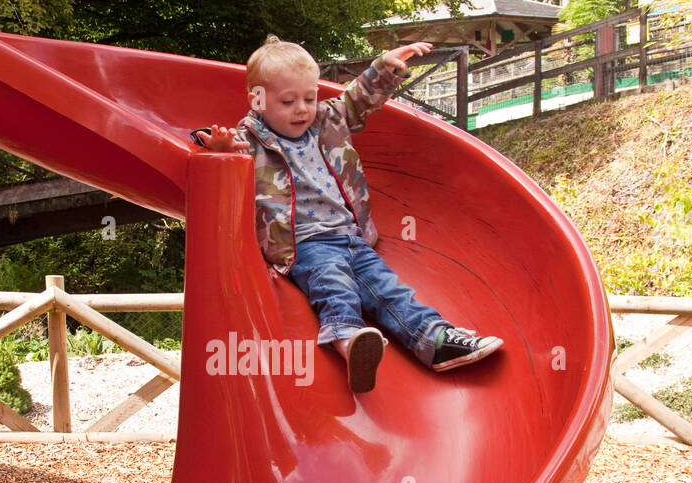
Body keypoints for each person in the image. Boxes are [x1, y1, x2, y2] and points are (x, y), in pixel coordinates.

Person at [193, 35, 502, 393]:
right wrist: (218, 150)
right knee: (334, 287)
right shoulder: (250, 139)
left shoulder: (328, 120)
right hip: (306, 244)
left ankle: (435, 342)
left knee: (392, 292)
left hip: (352, 237)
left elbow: (358, 99)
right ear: (257, 100)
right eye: (288, 101)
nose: (302, 109)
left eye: (309, 98)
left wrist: (385, 67)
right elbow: (216, 159)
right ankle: (350, 343)